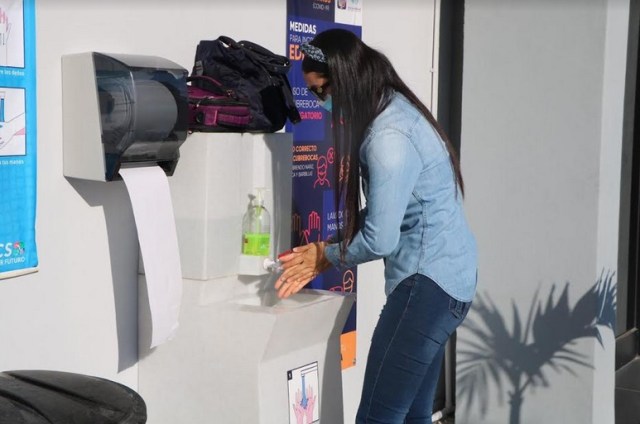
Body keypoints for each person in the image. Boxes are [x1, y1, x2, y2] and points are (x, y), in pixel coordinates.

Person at [275, 29, 477, 424]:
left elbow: (381, 238)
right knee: (413, 415)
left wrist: (326, 256)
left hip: (427, 288)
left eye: (321, 91)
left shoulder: (387, 137)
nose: (321, 103)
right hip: (448, 283)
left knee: (377, 418)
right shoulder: (395, 109)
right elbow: (392, 210)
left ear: (345, 78)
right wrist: (329, 245)